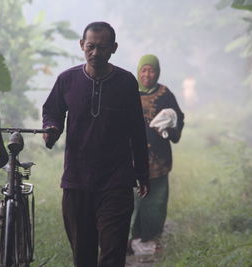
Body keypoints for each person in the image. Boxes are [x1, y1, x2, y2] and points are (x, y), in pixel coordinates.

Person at [42, 22, 150, 267]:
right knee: (83, 255)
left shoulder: (125, 82)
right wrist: (51, 130)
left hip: (117, 181)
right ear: (82, 45)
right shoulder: (67, 80)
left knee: (113, 253)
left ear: (113, 48)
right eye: (90, 47)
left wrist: (142, 172)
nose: (95, 53)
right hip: (76, 181)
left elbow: (136, 130)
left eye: (102, 48)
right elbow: (52, 112)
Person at [129, 54, 184, 255]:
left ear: (158, 72)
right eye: (144, 69)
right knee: (131, 199)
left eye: (151, 70)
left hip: (158, 159)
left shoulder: (165, 94)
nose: (147, 74)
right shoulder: (129, 92)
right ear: (138, 71)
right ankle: (129, 239)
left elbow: (179, 118)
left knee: (156, 200)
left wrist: (171, 124)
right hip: (131, 157)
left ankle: (151, 237)